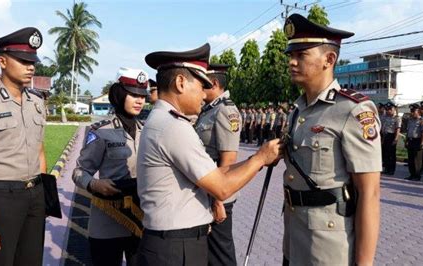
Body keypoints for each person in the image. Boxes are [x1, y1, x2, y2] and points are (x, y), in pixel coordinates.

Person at [133, 43, 282, 266]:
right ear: (181, 83)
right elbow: (221, 186)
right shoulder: (173, 126)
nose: (204, 94)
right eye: (201, 85)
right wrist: (260, 158)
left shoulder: (162, 120)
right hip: (176, 248)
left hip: (171, 242)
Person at [281, 14, 381, 265]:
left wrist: (364, 263)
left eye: (301, 55)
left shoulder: (353, 110)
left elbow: (370, 193)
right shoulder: (298, 110)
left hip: (328, 247)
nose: (292, 62)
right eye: (290, 55)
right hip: (294, 238)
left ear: (329, 59)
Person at [0, 27, 47, 266]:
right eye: (24, 61)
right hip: (1, 198)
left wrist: (45, 196)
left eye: (33, 61)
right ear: (2, 61)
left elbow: (40, 151)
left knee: (31, 261)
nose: (31, 67)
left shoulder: (36, 102)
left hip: (34, 195)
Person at [72, 67, 148, 266]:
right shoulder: (100, 131)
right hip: (108, 218)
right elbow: (80, 171)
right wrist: (94, 185)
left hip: (140, 220)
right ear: (120, 94)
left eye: (142, 95)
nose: (140, 100)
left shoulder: (147, 131)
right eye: (133, 95)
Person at [194, 63, 240, 266]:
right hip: (209, 190)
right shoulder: (209, 110)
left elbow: (228, 161)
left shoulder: (225, 111)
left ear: (213, 83)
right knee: (209, 253)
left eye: (202, 84)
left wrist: (218, 201)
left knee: (221, 254)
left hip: (219, 195)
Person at [405, 103, 423, 181]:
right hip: (410, 140)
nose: (411, 113)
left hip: (417, 141)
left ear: (418, 111)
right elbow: (408, 131)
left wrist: (422, 143)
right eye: (411, 111)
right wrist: (406, 141)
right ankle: (412, 174)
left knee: (417, 160)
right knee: (410, 159)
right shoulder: (410, 120)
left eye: (413, 111)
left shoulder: (422, 120)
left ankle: (417, 176)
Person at [381, 102, 401, 175]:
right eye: (387, 109)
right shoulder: (384, 117)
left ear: (394, 109)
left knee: (391, 154)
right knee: (385, 153)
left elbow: (398, 129)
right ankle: (386, 168)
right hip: (384, 136)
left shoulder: (397, 118)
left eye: (390, 109)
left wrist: (396, 139)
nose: (388, 111)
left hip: (391, 136)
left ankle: (392, 169)